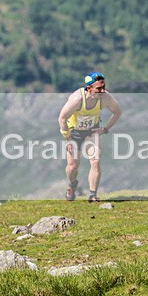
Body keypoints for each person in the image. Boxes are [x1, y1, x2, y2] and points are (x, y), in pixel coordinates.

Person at [58, 72, 121, 202]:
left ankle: (93, 195)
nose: (102, 91)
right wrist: (68, 138)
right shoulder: (77, 99)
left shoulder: (106, 97)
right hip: (74, 133)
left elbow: (117, 112)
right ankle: (72, 184)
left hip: (92, 132)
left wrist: (105, 128)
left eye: (103, 87)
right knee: (73, 166)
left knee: (95, 162)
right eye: (98, 88)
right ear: (89, 88)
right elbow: (62, 118)